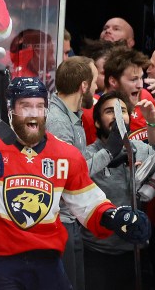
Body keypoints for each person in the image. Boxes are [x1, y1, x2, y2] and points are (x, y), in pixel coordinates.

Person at [0, 77, 152, 289]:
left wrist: (114, 217)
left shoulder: (66, 154)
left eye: (40, 106)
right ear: (10, 109)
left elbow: (88, 204)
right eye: (25, 106)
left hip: (46, 260)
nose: (34, 113)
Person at [82, 91, 155, 290]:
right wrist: (109, 154)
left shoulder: (141, 149)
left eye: (122, 111)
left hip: (137, 251)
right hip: (98, 254)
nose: (117, 116)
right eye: (110, 111)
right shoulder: (88, 155)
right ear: (96, 122)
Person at [45, 56, 122, 290]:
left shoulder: (73, 119)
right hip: (59, 220)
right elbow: (69, 176)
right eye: (95, 82)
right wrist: (109, 152)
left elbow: (77, 165)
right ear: (84, 86)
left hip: (71, 219)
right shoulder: (57, 122)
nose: (98, 87)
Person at [102, 45, 155, 143]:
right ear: (113, 81)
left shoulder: (145, 97)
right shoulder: (97, 108)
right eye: (134, 79)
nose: (140, 85)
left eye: (141, 78)